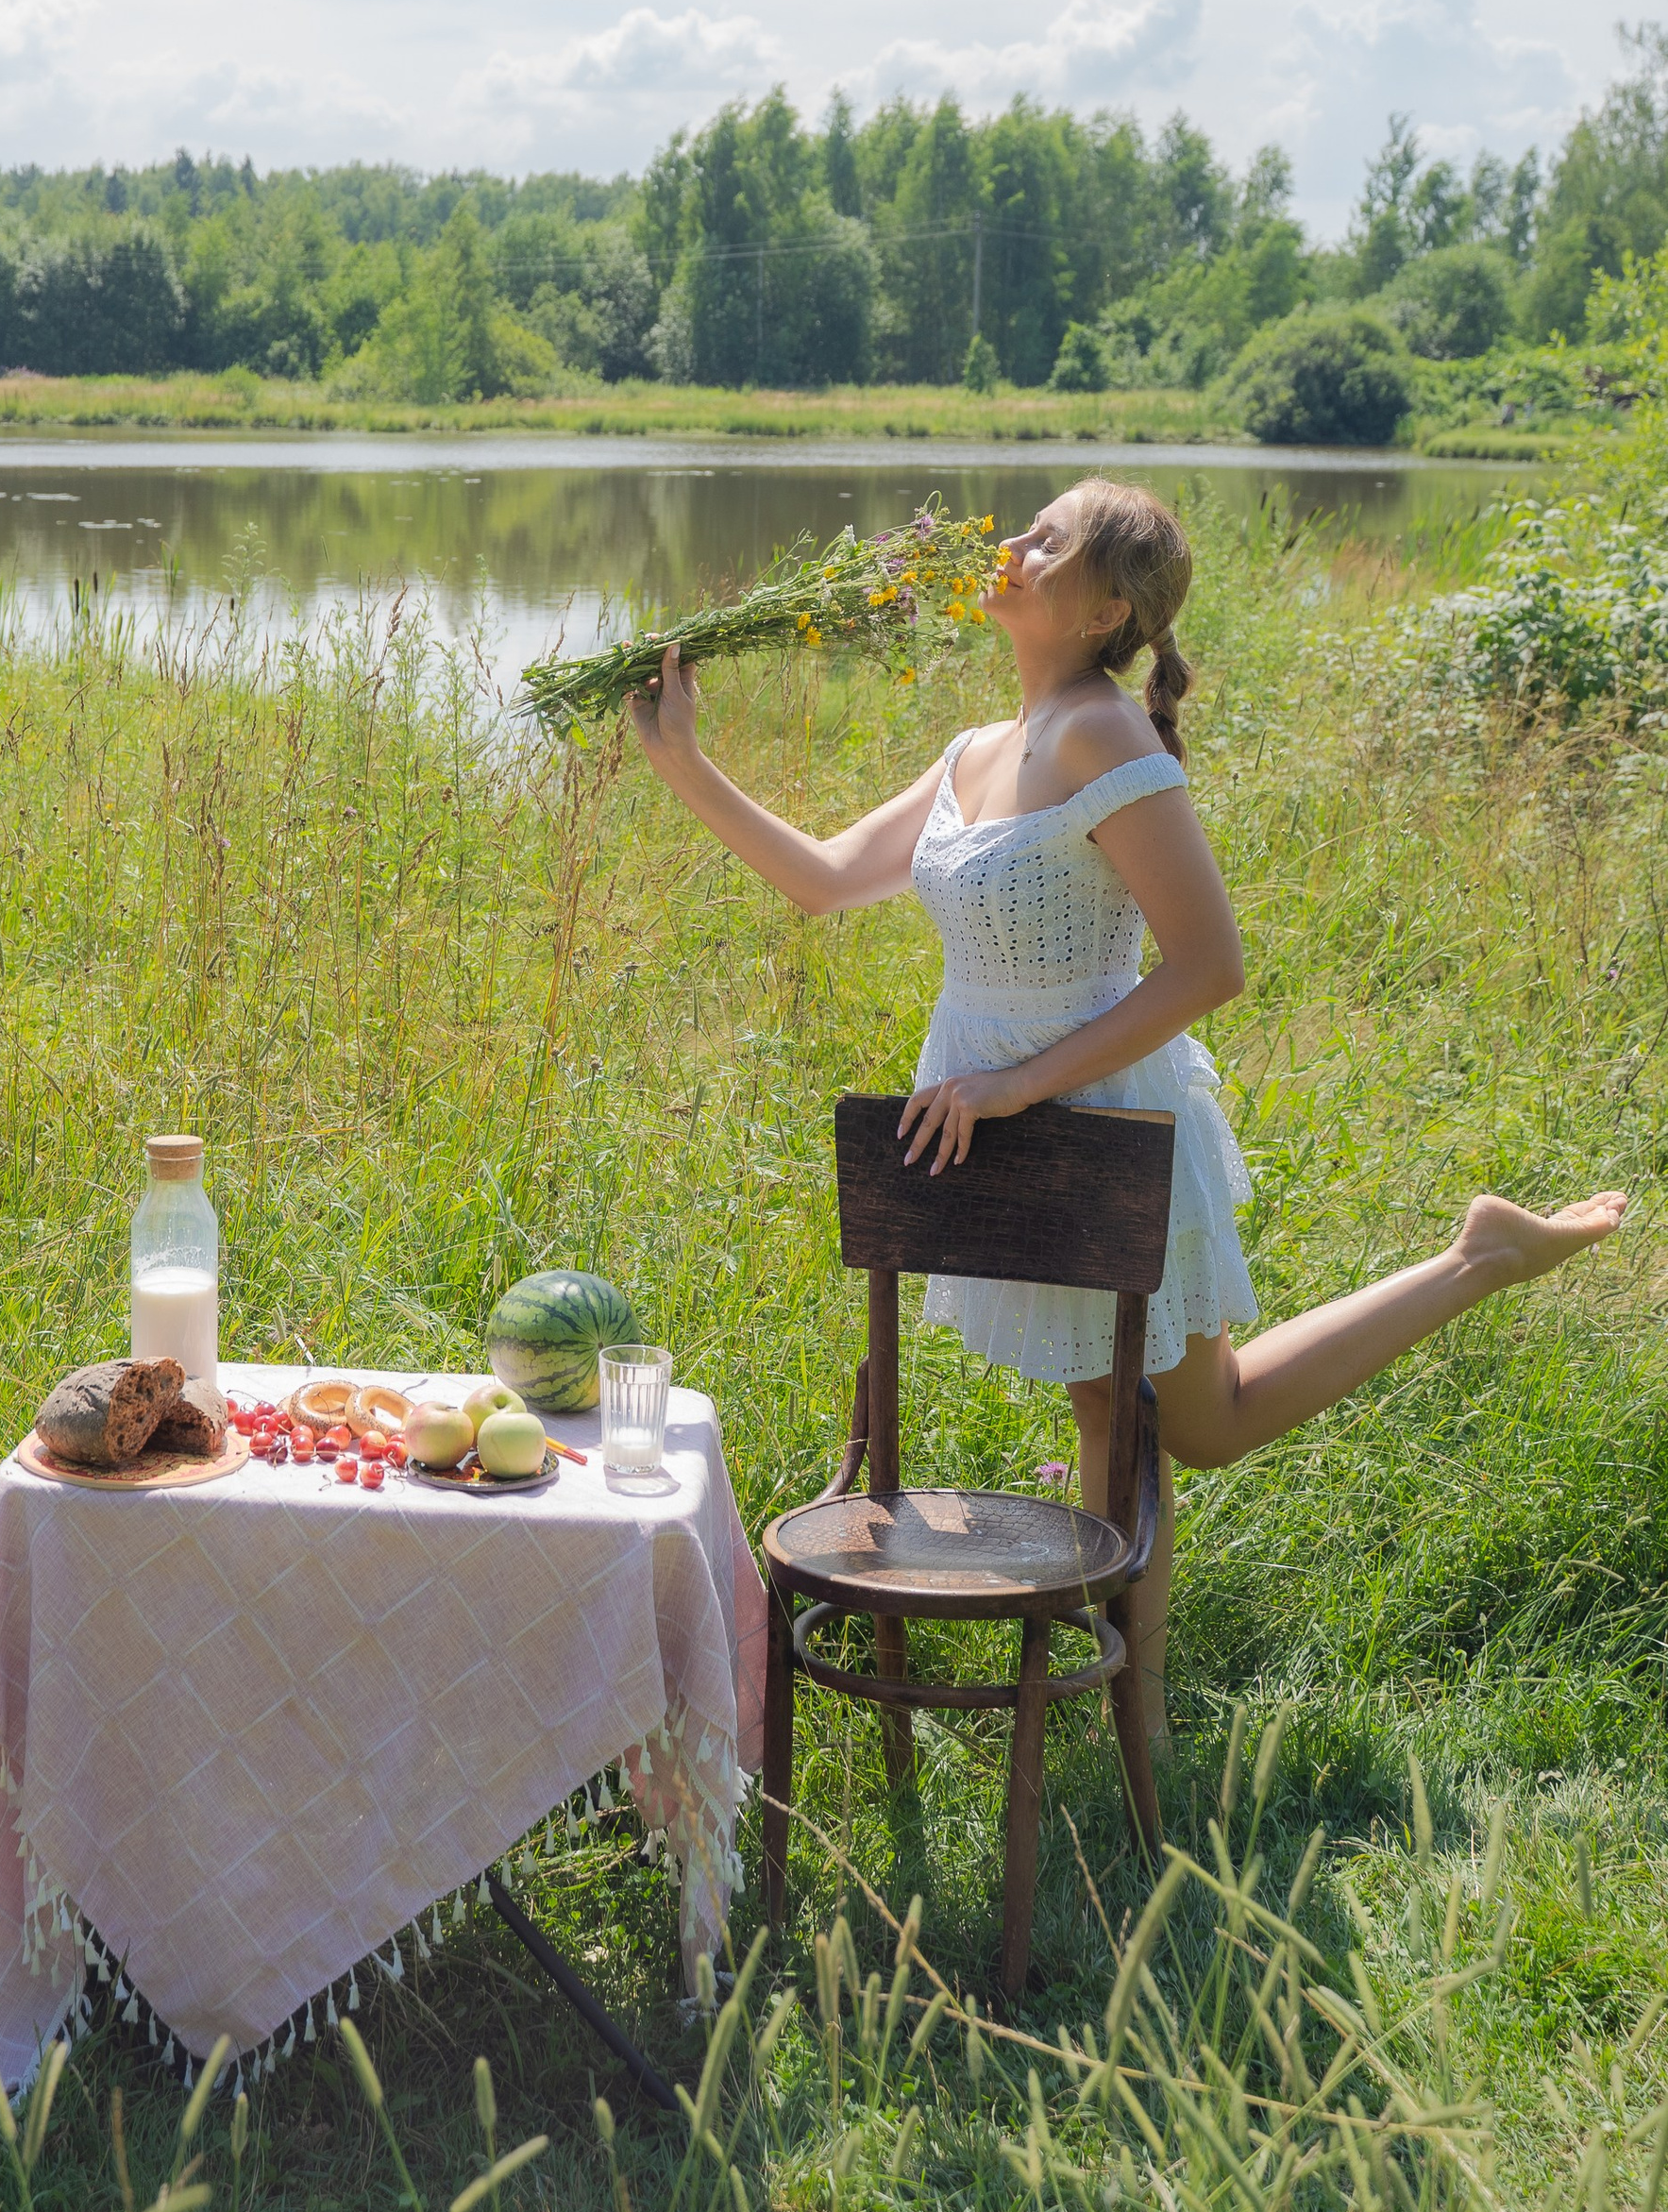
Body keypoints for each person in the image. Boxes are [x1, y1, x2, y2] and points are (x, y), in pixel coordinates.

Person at [627, 475, 1626, 1743]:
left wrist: (1013, 1085)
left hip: (1100, 1119)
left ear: (1107, 610)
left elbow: (1210, 965)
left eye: (1048, 542)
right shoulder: (975, 750)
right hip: (998, 1124)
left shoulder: (1107, 737)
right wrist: (684, 759)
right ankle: (1130, 1707)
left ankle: (1473, 1262)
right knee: (1125, 1414)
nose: (1010, 545)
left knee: (1190, 1424)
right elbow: (823, 880)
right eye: (1025, 525)